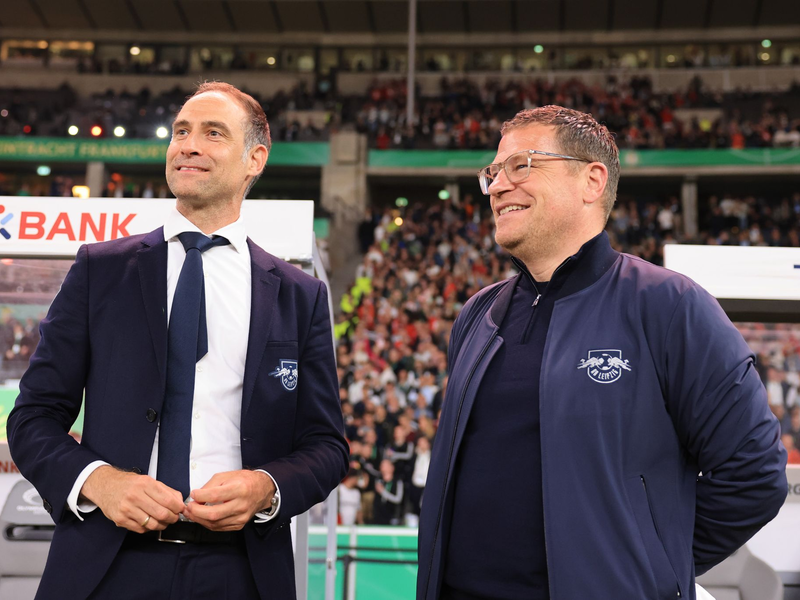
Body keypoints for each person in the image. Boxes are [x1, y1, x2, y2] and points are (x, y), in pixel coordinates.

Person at [417, 105, 788, 600]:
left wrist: (649, 563)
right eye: (493, 172)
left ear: (592, 181)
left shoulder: (668, 305)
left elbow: (755, 474)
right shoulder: (477, 314)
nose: (498, 186)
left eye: (522, 165)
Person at [7, 81, 349, 600]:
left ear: (254, 158)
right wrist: (99, 481)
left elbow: (326, 447)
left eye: (213, 133)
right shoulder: (101, 270)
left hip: (243, 570)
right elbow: (32, 418)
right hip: (107, 564)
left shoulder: (299, 295)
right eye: (181, 132)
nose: (188, 145)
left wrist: (266, 487)